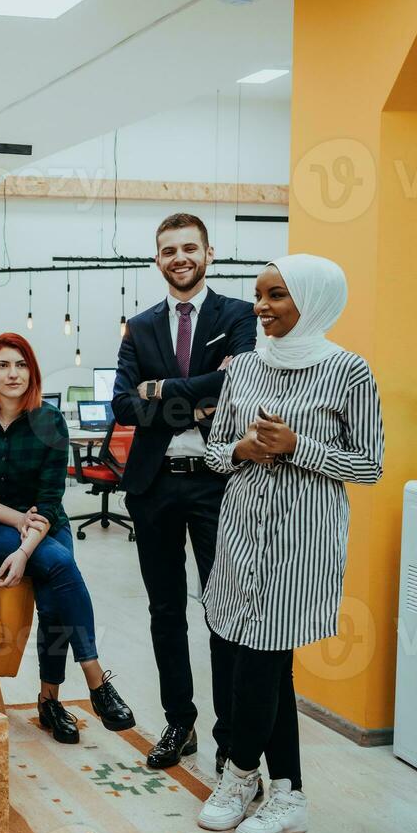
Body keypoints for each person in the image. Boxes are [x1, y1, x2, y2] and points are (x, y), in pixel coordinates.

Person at [196, 255, 383, 833]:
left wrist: (299, 446)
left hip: (303, 544)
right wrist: (243, 450)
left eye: (276, 295)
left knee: (260, 660)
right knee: (262, 662)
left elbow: (371, 466)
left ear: (313, 300)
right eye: (258, 294)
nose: (261, 307)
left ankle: (239, 772)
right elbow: (214, 451)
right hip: (240, 536)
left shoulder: (349, 372)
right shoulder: (245, 367)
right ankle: (290, 792)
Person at [112, 212, 257, 771]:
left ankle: (227, 739)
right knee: (165, 609)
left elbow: (237, 379)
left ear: (208, 253)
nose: (180, 257)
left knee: (222, 611)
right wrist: (195, 402)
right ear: (157, 259)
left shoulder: (238, 315)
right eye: (168, 249)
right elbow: (125, 404)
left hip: (216, 482)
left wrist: (162, 394)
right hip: (152, 488)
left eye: (189, 248)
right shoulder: (140, 326)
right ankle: (180, 723)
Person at [0, 334, 134, 745]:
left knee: (55, 587)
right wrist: (16, 523)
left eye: (20, 364)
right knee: (63, 565)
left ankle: (50, 701)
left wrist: (24, 550)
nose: (12, 373)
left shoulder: (49, 420)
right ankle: (95, 682)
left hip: (45, 527)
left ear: (31, 370)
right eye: (2, 365)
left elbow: (50, 501)